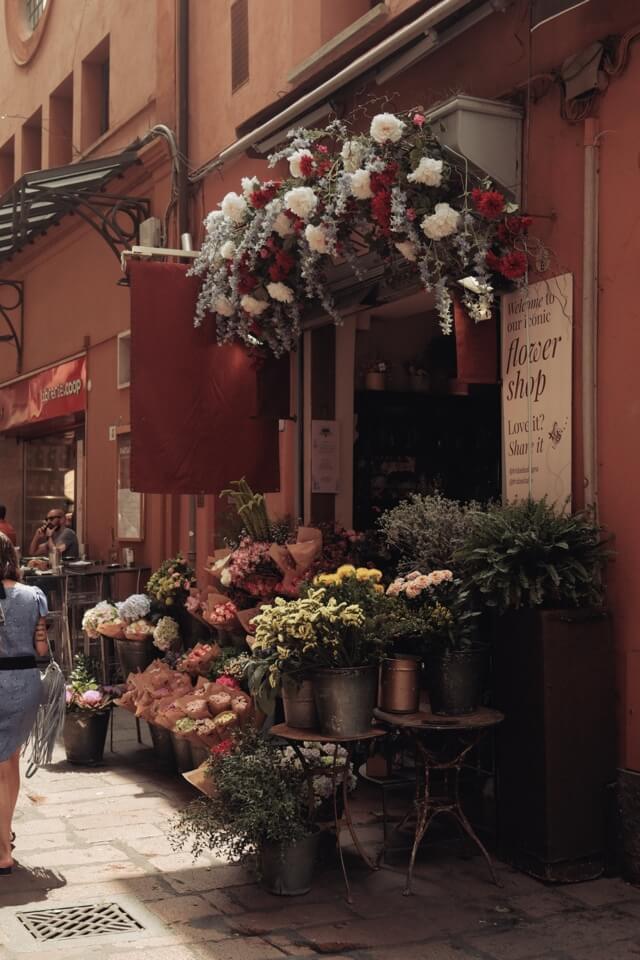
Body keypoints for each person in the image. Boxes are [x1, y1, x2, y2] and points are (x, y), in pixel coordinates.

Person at [0, 532, 49, 874]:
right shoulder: (33, 596)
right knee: (9, 763)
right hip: (23, 684)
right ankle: (4, 844)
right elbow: (42, 650)